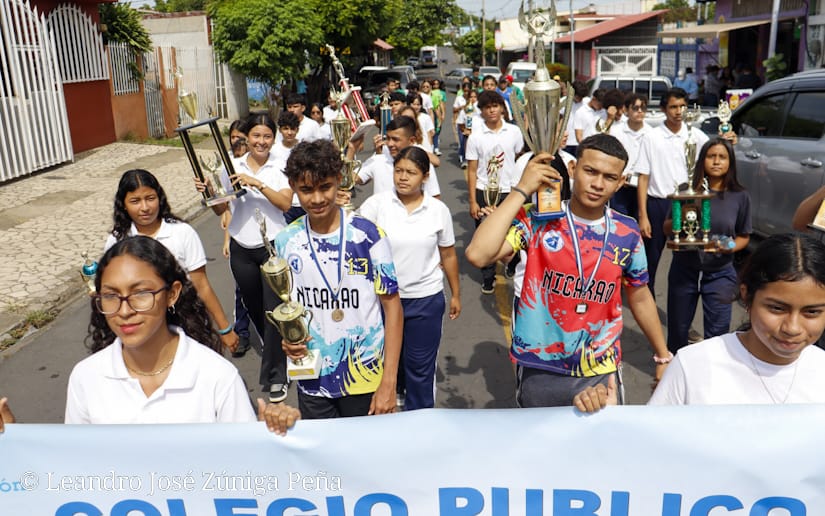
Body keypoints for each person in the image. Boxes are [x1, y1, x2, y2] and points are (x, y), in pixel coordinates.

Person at [465, 134, 672, 407]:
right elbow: (478, 255)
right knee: (540, 436)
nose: (598, 184)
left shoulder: (627, 231)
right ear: (573, 169)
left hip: (599, 371)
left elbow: (640, 295)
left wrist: (662, 355)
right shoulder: (537, 219)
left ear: (621, 182)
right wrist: (521, 190)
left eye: (609, 177)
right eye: (590, 171)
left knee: (601, 436)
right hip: (540, 366)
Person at [574, 233, 825, 411]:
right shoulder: (693, 366)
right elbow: (650, 446)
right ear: (747, 296)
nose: (792, 327)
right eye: (777, 308)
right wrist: (608, 421)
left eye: (812, 312)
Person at [73, 236, 298, 432]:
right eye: (111, 296)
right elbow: (76, 460)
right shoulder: (85, 378)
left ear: (172, 294)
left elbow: (243, 459)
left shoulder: (218, 377)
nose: (124, 311)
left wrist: (269, 436)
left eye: (140, 293)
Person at [275, 140, 403, 419]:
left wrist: (389, 381)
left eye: (325, 187)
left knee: (366, 448)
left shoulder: (369, 236)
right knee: (322, 449)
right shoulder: (286, 241)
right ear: (293, 186)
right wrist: (289, 340)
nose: (317, 199)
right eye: (306, 190)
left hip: (365, 377)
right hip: (312, 378)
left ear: (339, 180)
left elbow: (393, 308)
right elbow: (289, 307)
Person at [198, 112, 294, 403]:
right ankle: (281, 351)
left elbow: (285, 203)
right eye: (256, 136)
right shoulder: (232, 165)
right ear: (247, 138)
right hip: (242, 246)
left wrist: (257, 183)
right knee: (255, 309)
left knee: (274, 309)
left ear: (273, 139)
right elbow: (221, 209)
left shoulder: (281, 165)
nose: (261, 141)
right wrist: (210, 194)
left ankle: (276, 375)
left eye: (267, 136)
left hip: (273, 245)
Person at [358, 146, 461, 410]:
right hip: (382, 301)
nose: (403, 177)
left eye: (411, 172)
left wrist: (456, 294)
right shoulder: (376, 205)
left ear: (425, 177)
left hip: (424, 300)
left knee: (420, 368)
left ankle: (420, 418)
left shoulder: (437, 210)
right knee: (382, 364)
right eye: (398, 170)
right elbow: (355, 242)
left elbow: (448, 254)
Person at [105, 169, 240, 354]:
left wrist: (224, 328)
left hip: (186, 320)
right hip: (138, 325)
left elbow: (201, 285)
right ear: (124, 205)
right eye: (135, 201)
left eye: (150, 198)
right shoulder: (117, 240)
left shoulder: (182, 233)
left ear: (160, 198)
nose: (145, 207)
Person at [665, 138, 752, 352]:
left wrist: (729, 247)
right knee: (678, 329)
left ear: (730, 162)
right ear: (702, 160)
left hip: (720, 272)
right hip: (684, 269)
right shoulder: (687, 190)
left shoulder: (740, 196)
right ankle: (673, 366)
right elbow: (667, 228)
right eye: (711, 156)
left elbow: (744, 236)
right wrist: (680, 216)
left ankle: (712, 368)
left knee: (718, 332)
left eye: (722, 157)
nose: (716, 161)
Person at [635, 88, 710, 295]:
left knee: (685, 258)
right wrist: (643, 216)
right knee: (651, 259)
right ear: (663, 109)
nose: (678, 111)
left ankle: (680, 301)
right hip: (658, 203)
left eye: (682, 106)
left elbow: (713, 159)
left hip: (688, 205)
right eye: (673, 107)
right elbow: (643, 177)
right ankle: (647, 300)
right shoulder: (652, 137)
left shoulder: (696, 136)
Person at [466, 90, 524, 294]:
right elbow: (472, 170)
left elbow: (519, 157)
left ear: (502, 108)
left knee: (511, 232)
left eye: (495, 106)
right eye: (487, 107)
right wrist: (473, 201)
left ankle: (513, 262)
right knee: (485, 234)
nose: (491, 110)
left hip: (509, 191)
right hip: (484, 191)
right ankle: (488, 276)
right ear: (481, 111)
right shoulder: (475, 137)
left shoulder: (514, 132)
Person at [355, 115, 441, 198]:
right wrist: (352, 149)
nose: (390, 144)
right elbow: (352, 179)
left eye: (395, 139)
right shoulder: (378, 160)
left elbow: (434, 197)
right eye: (388, 138)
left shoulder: (422, 162)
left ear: (412, 140)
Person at [609, 93, 652, 219]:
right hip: (621, 185)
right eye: (635, 108)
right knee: (619, 219)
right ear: (626, 110)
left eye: (643, 108)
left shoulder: (651, 133)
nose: (640, 111)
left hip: (643, 186)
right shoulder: (616, 131)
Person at [428, 78, 447, 157]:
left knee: (437, 129)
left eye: (437, 84)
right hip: (429, 113)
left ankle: (435, 145)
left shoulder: (442, 93)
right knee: (432, 130)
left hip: (437, 113)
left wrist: (443, 114)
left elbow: (442, 104)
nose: (435, 85)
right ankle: (434, 147)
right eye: (434, 84)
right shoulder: (428, 93)